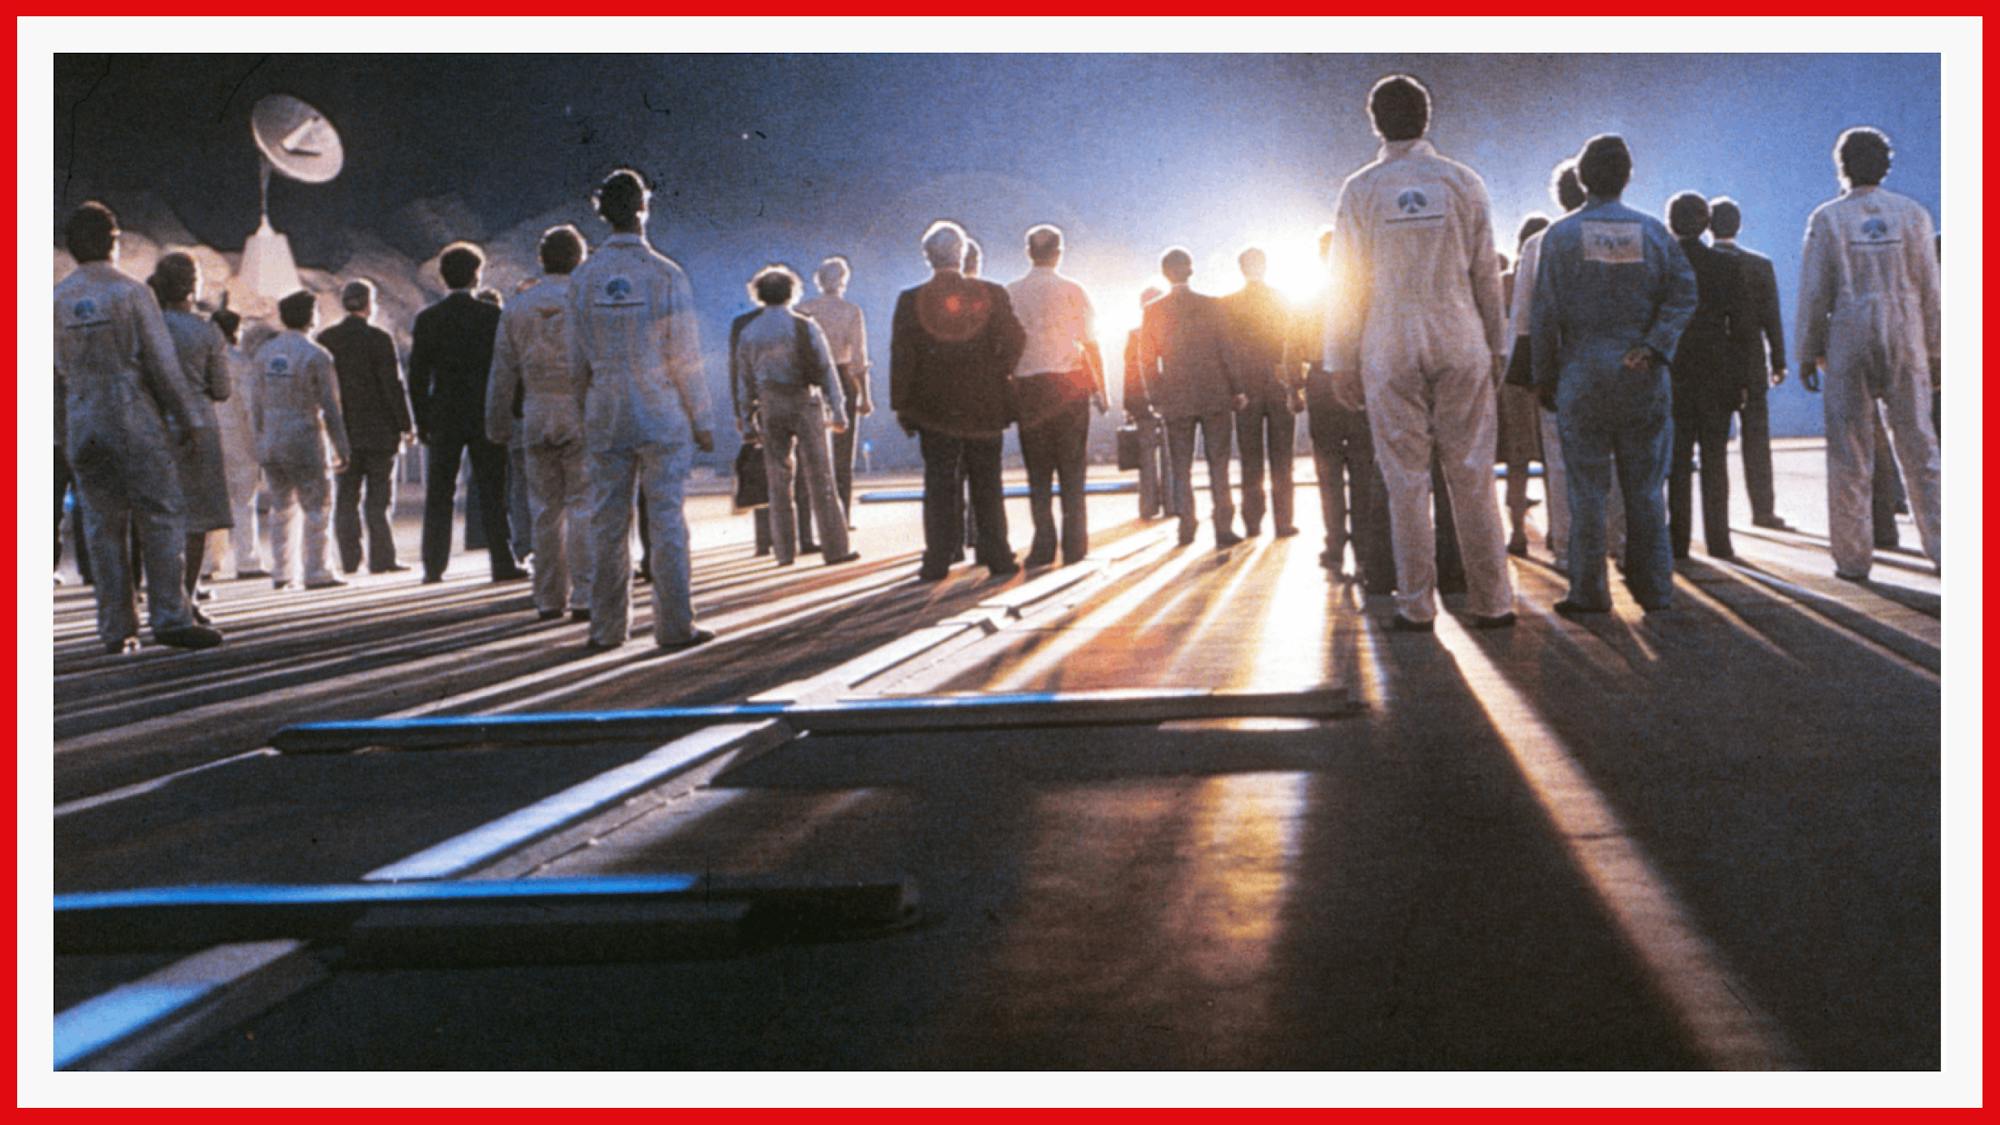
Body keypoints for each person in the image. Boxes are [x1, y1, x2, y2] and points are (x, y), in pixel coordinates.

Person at [1325, 74, 1514, 630]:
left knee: (1405, 480)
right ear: (1427, 118)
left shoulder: (1361, 189)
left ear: (1375, 122)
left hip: (1389, 340)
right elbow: (1486, 269)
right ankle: (1493, 601)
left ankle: (1416, 604)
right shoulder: (1462, 181)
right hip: (1461, 334)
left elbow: (1345, 282)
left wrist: (1340, 357)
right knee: (1473, 472)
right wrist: (1495, 345)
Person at [1530, 134, 1698, 615]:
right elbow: (1684, 294)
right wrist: (1654, 345)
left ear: (1582, 179)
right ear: (1628, 177)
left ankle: (1589, 591)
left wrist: (1545, 375)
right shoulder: (1652, 233)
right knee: (1646, 490)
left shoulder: (1559, 238)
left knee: (1585, 490)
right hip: (1641, 373)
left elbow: (1545, 315)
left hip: (1582, 371)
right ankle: (1656, 590)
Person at [53, 202, 222, 652]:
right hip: (130, 413)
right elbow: (161, 365)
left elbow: (47, 378)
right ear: (113, 241)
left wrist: (60, 432)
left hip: (81, 416)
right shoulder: (130, 293)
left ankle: (115, 626)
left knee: (101, 525)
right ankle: (169, 616)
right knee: (160, 512)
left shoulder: (54, 299)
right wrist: (188, 419)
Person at [568, 168, 717, 650]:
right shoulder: (665, 273)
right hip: (659, 408)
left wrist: (580, 413)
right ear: (643, 209)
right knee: (667, 518)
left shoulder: (585, 277)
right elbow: (685, 355)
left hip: (605, 407)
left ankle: (606, 629)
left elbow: (575, 359)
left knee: (608, 523)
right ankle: (675, 627)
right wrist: (703, 419)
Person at [1796, 126, 1940, 579]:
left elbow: (1815, 291)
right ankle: (1946, 549)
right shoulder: (1913, 215)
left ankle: (1854, 560)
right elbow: (1931, 290)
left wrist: (1807, 349)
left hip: (1849, 332)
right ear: (1886, 165)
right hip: (1905, 329)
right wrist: (1938, 351)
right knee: (1920, 447)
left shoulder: (1828, 218)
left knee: (1849, 450)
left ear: (1842, 166)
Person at [889, 219, 1025, 581]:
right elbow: (1016, 339)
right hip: (984, 403)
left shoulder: (909, 300)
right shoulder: (992, 294)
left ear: (928, 257)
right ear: (963, 254)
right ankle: (998, 555)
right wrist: (998, 370)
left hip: (934, 408)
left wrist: (901, 404)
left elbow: (902, 357)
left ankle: (937, 559)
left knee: (938, 483)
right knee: (987, 481)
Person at [486, 225, 595, 621]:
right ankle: (584, 594)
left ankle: (548, 597)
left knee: (544, 509)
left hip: (535, 410)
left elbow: (502, 372)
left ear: (541, 259)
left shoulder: (517, 307)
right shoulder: (587, 301)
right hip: (580, 409)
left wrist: (497, 422)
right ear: (580, 259)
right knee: (583, 504)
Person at [409, 242, 525, 584]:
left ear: (443, 278)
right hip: (484, 411)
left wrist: (422, 419)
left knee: (440, 491)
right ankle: (501, 561)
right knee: (492, 488)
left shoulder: (428, 319)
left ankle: (433, 565)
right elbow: (508, 369)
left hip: (444, 412)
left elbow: (418, 375)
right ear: (477, 276)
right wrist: (513, 408)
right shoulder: (492, 317)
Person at [733, 263, 859, 568]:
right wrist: (839, 409)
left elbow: (744, 379)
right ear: (792, 292)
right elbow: (826, 369)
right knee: (821, 479)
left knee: (778, 481)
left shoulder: (750, 332)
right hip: (804, 400)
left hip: (770, 403)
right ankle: (835, 548)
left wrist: (745, 417)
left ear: (759, 294)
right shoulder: (805, 326)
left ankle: (784, 552)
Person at [1290, 227, 1394, 591]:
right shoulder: (1365, 295)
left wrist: (1293, 388)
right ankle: (1365, 548)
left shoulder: (1308, 298)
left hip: (1320, 383)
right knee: (1363, 466)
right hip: (1359, 380)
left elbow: (1293, 348)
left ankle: (1334, 544)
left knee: (1328, 468)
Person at [1006, 224, 1106, 567]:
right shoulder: (1073, 290)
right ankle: (1075, 545)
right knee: (1072, 469)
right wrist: (1100, 389)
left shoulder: (1011, 292)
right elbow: (1091, 342)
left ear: (1028, 252)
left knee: (1038, 472)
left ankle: (1043, 545)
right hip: (1069, 385)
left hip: (1030, 389)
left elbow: (1006, 348)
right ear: (1059, 252)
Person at [1135, 247, 1246, 550]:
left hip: (1176, 396)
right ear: (1191, 271)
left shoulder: (1153, 310)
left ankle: (1187, 525)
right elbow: (1227, 350)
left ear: (1164, 273)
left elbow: (1146, 359)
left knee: (1181, 465)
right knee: (1218, 463)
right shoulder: (1213, 306)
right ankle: (1224, 526)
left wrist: (1155, 395)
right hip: (1214, 394)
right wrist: (1237, 389)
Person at [149, 253, 235, 620]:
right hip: (198, 427)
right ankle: (185, 598)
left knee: (157, 516)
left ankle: (158, 596)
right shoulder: (206, 331)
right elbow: (221, 389)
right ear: (193, 285)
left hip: (153, 426)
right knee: (196, 522)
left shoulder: (148, 327)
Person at [1664, 191, 1748, 562]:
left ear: (1671, 223)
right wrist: (1741, 379)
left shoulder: (1664, 265)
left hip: (1675, 372)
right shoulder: (1726, 267)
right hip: (1717, 371)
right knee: (1715, 460)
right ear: (1706, 223)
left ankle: (1678, 541)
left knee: (1677, 463)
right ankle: (1720, 540)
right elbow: (1742, 328)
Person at [253, 290, 352, 591]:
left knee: (281, 505)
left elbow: (255, 401)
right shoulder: (316, 354)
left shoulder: (265, 353)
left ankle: (282, 572)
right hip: (304, 434)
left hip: (271, 434)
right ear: (311, 316)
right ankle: (317, 570)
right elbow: (331, 405)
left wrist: (261, 436)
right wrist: (341, 445)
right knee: (317, 504)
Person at [1707, 198, 1791, 531]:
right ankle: (1763, 510)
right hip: (1752, 361)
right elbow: (1772, 317)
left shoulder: (1702, 263)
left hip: (1714, 365)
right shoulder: (1760, 265)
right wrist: (1779, 359)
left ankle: (1719, 518)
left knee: (1714, 442)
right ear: (1738, 225)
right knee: (1756, 438)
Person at [318, 279, 413, 575]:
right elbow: (392, 386)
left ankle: (349, 559)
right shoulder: (379, 339)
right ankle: (382, 559)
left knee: (346, 498)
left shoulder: (327, 339)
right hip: (380, 431)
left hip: (343, 431)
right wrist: (405, 424)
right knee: (379, 499)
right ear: (369, 304)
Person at [1224, 246, 1301, 539]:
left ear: (1241, 269)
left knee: (1250, 457)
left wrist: (1234, 387)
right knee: (1283, 458)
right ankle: (1284, 522)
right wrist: (1295, 385)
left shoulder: (1228, 305)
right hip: (1278, 382)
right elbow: (1291, 345)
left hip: (1246, 386)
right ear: (1265, 266)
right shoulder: (1282, 299)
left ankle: (1252, 522)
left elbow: (1227, 351)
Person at [797, 255, 873, 522]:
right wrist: (865, 396)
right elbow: (858, 358)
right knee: (844, 454)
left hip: (810, 378)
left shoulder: (804, 309)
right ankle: (841, 517)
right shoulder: (851, 311)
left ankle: (807, 520)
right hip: (842, 376)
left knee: (807, 452)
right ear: (844, 280)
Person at [208, 303, 267, 579]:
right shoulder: (242, 364)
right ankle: (247, 561)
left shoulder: (201, 360)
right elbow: (249, 407)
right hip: (239, 440)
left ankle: (209, 562)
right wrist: (259, 445)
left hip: (208, 438)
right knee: (244, 503)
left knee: (210, 502)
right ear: (236, 332)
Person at [1495, 241, 1543, 557]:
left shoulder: (1501, 284)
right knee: (1555, 460)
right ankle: (1560, 535)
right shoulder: (1547, 280)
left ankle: (1516, 533)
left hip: (1510, 380)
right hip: (1546, 377)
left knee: (1517, 461)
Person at [1123, 287, 1174, 522]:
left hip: (1142, 402)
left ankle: (1148, 506)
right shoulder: (1172, 332)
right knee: (1171, 454)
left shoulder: (1134, 335)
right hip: (1170, 400)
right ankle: (1173, 502)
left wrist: (1129, 405)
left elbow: (1130, 373)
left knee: (1146, 458)